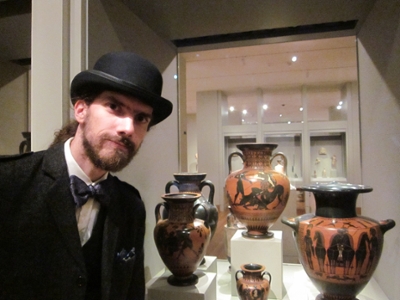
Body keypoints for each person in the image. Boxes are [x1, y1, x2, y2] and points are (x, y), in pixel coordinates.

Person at [0, 52, 173, 300]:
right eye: (114, 107)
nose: (128, 128)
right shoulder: (9, 182)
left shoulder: (131, 206)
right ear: (81, 110)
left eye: (141, 118)